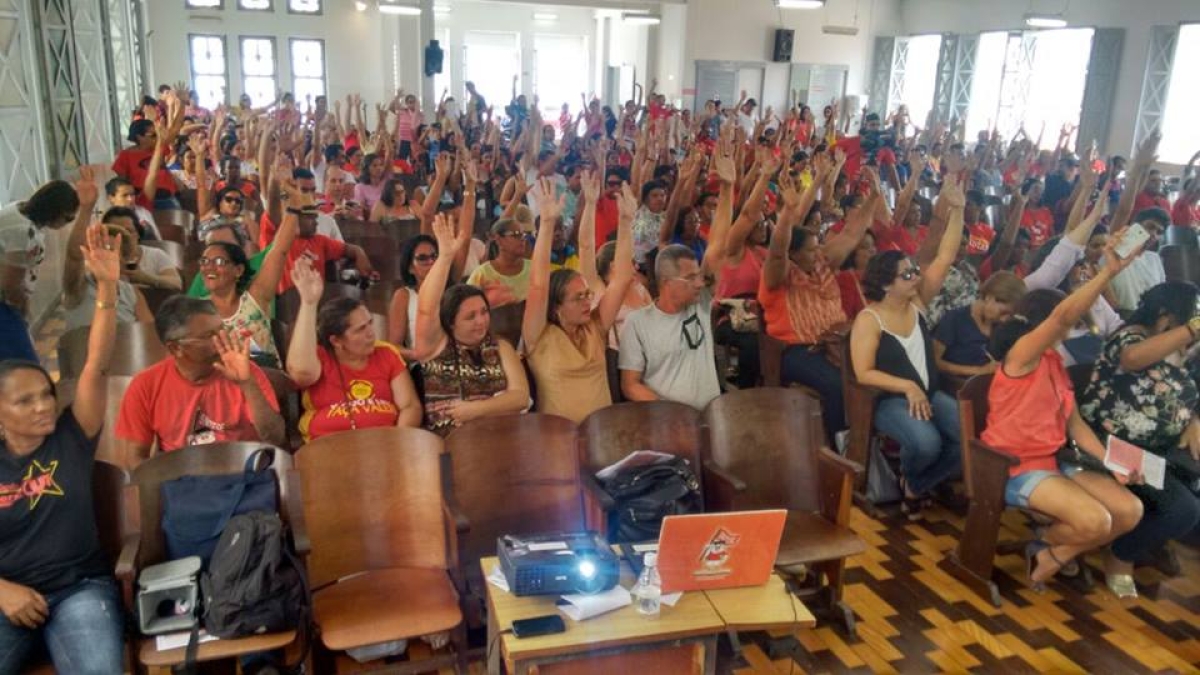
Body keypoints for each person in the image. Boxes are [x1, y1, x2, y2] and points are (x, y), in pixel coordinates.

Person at [982, 235, 1144, 593]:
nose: (1073, 329)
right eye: (1068, 326)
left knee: (1129, 511)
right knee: (1097, 522)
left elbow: (1075, 424)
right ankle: (1052, 549)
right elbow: (1062, 316)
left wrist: (1110, 461)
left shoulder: (1055, 361)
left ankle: (1050, 550)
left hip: (1058, 459)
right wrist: (1107, 274)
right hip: (1015, 465)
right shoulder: (1022, 355)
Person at [0, 224, 123, 674]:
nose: (42, 407)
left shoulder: (72, 434)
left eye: (45, 394)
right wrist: (3, 592)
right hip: (8, 595)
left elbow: (96, 363)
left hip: (80, 590)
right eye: (24, 401)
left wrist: (107, 287)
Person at [850, 172, 967, 519]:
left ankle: (915, 482)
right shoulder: (869, 320)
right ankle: (918, 479)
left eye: (914, 271)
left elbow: (945, 257)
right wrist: (908, 386)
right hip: (889, 401)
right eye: (907, 274)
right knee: (926, 442)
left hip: (926, 393)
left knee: (971, 439)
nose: (916, 276)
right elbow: (863, 372)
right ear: (886, 285)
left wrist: (957, 210)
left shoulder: (916, 304)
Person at [1078, 282, 1200, 597]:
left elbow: (1185, 393)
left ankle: (1152, 541)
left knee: (1191, 500)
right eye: (1189, 316)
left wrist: (1194, 420)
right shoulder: (1129, 336)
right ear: (1165, 316)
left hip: (1163, 448)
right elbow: (1133, 359)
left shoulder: (1178, 352)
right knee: (1183, 509)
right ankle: (1121, 554)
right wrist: (1192, 329)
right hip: (1113, 445)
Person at [760, 159, 871, 439]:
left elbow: (851, 233)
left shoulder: (822, 263)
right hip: (798, 351)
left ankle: (870, 438)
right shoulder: (779, 276)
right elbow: (776, 250)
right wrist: (788, 212)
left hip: (839, 343)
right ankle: (840, 445)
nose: (817, 252)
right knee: (838, 385)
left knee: (874, 375)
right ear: (795, 254)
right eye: (810, 250)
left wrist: (875, 198)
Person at [116, 295, 285, 461]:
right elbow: (135, 457)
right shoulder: (145, 385)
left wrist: (247, 385)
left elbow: (275, 437)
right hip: (183, 479)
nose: (222, 340)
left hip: (243, 472)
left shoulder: (246, 371)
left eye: (222, 330)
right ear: (176, 348)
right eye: (209, 336)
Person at [524, 177, 635, 422]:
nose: (588, 302)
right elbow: (538, 285)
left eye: (588, 294)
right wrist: (547, 224)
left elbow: (622, 278)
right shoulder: (538, 338)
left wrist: (626, 222)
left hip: (602, 436)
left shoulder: (595, 327)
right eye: (578, 298)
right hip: (558, 441)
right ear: (557, 307)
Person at [411, 217, 530, 437]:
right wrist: (445, 257)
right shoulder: (435, 348)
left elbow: (520, 396)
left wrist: (475, 410)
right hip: (451, 446)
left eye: (484, 312)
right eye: (470, 317)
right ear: (451, 321)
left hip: (501, 439)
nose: (481, 321)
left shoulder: (500, 346)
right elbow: (426, 309)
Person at [287, 258, 422, 442]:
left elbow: (410, 406)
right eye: (360, 329)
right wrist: (309, 303)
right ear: (336, 341)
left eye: (370, 324)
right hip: (327, 448)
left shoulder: (386, 353)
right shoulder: (319, 357)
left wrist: (396, 441)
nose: (371, 334)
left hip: (385, 447)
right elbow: (300, 373)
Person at [199, 179, 303, 368]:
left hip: (264, 383)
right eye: (205, 261)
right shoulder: (197, 310)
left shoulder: (255, 298)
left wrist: (294, 207)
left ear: (238, 270)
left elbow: (279, 250)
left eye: (220, 261)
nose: (209, 268)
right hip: (220, 390)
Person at [619, 243, 721, 409]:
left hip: (712, 413)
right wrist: (671, 412)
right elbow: (630, 385)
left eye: (699, 276)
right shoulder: (637, 323)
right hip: (669, 422)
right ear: (667, 283)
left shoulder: (700, 303)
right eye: (690, 278)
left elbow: (718, 246)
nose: (699, 284)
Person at [0, 175, 87, 361]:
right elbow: (10, 284)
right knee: (24, 362)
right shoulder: (21, 232)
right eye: (68, 218)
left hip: (9, 304)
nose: (68, 223)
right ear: (54, 212)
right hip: (5, 307)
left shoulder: (18, 209)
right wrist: (22, 307)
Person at [933, 271, 1026, 378]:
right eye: (1003, 312)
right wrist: (978, 371)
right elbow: (935, 361)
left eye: (1010, 316)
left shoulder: (1001, 327)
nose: (1005, 320)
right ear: (989, 297)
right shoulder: (956, 319)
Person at [467, 217, 531, 305]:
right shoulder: (482, 274)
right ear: (499, 240)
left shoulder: (535, 269)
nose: (523, 239)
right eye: (516, 234)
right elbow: (467, 304)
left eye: (523, 235)